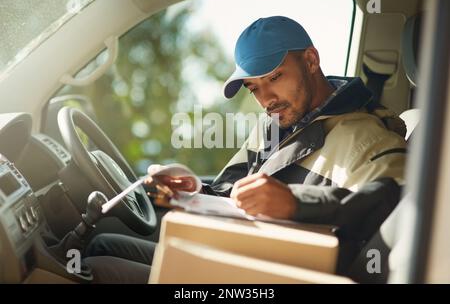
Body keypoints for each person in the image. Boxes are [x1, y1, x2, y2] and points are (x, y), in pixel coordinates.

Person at [83, 16, 407, 283]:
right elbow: (229, 193)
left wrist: (296, 204)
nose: (266, 100)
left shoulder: (365, 135)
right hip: (238, 250)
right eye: (254, 87)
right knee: (102, 244)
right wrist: (191, 191)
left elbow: (399, 203)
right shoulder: (275, 125)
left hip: (277, 275)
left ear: (310, 60)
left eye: (275, 77)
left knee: (99, 272)